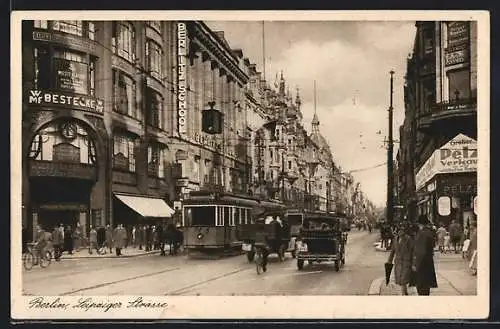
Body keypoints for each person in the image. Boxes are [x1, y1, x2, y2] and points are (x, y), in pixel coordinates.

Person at [412, 214, 438, 295]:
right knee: (426, 287)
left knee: (421, 286)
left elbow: (420, 251)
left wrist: (415, 264)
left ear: (420, 224)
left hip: (422, 263)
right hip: (428, 261)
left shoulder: (422, 234)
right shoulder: (429, 232)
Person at [387, 223, 414, 295]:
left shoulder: (408, 239)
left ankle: (403, 294)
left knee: (404, 279)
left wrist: (413, 262)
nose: (400, 232)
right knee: (400, 280)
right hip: (398, 262)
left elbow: (412, 251)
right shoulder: (395, 239)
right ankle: (405, 292)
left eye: (402, 230)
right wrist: (389, 261)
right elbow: (392, 251)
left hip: (406, 262)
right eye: (399, 231)